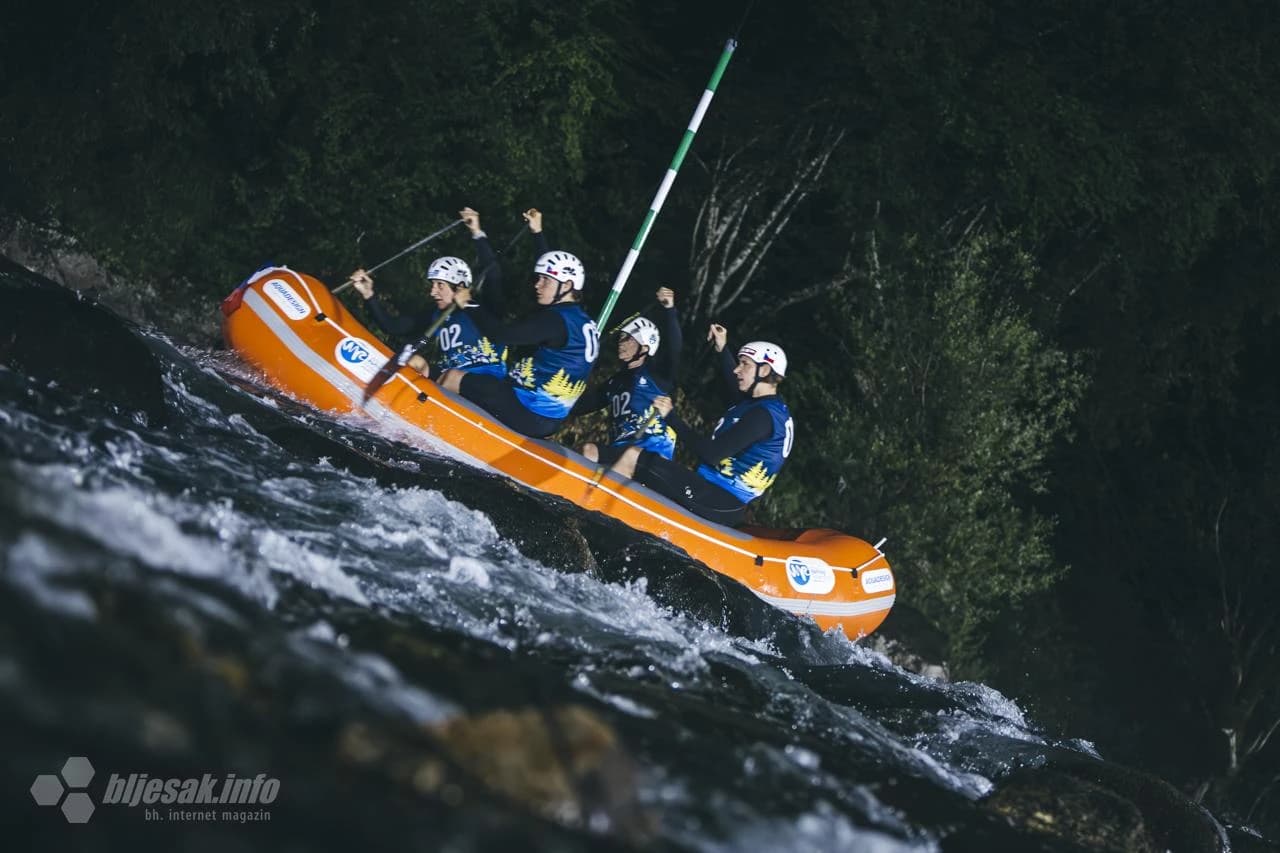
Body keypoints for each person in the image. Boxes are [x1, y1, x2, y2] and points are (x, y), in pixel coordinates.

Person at [607, 324, 794, 527]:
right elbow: (733, 381)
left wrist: (671, 418)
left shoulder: (762, 416)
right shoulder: (763, 406)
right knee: (652, 469)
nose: (737, 369)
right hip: (718, 496)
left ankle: (596, 515)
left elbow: (712, 454)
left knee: (633, 457)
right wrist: (722, 348)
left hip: (719, 500)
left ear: (764, 370)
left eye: (744, 364)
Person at [438, 249, 600, 438]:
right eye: (538, 278)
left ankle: (435, 431)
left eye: (545, 280)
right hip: (546, 416)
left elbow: (502, 334)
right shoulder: (582, 320)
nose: (537, 285)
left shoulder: (556, 320)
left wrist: (469, 303)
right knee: (482, 385)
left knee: (453, 377)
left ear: (567, 285)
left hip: (530, 412)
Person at [350, 207, 525, 379]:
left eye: (440, 285)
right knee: (415, 362)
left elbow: (493, 274)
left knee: (450, 375)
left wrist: (477, 232)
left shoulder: (485, 307)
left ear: (459, 286)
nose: (433, 292)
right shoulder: (435, 315)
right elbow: (393, 326)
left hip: (485, 381)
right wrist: (369, 295)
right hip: (447, 381)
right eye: (433, 285)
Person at [573, 287, 682, 462]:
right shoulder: (616, 381)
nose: (621, 342)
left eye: (629, 338)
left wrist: (670, 310)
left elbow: (674, 350)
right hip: (620, 451)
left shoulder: (658, 376)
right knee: (585, 452)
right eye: (621, 337)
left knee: (589, 451)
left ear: (645, 348)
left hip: (651, 454)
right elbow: (580, 407)